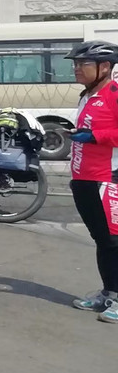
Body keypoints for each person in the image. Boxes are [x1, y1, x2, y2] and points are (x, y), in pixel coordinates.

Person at [65, 40, 118, 323]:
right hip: (83, 178)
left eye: (82, 64)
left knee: (114, 241)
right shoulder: (87, 95)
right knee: (101, 240)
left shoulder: (115, 94)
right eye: (75, 64)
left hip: (107, 179)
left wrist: (95, 137)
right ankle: (109, 293)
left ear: (104, 67)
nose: (76, 69)